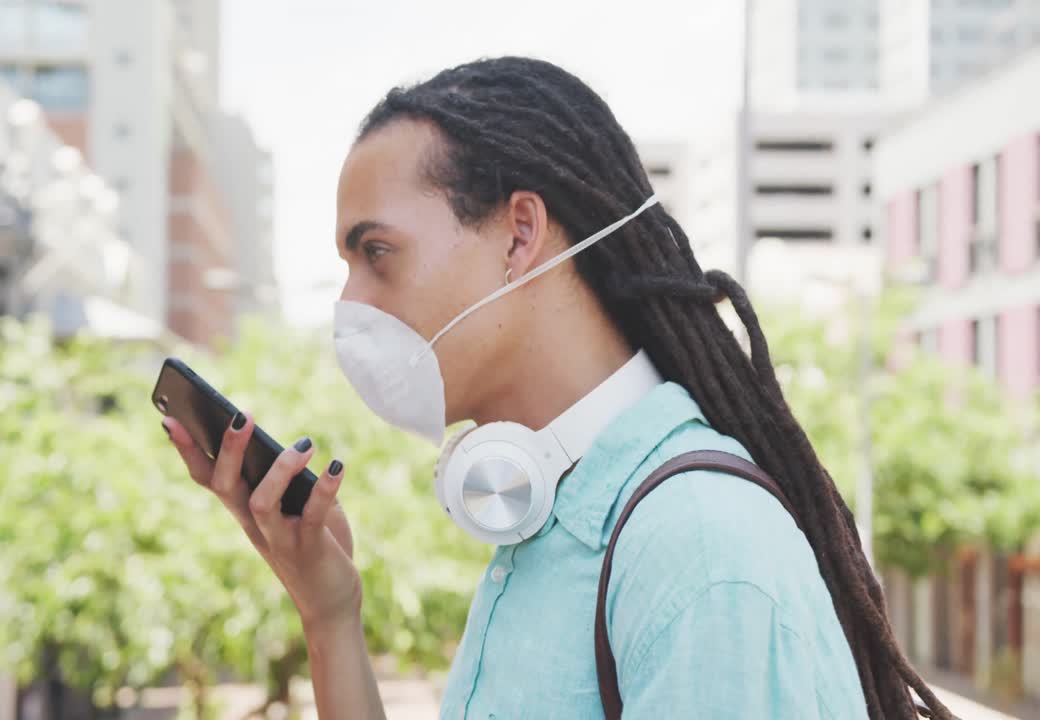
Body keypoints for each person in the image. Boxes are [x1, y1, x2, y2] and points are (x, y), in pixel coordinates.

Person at [162, 56, 949, 719]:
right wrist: (330, 616)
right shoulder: (550, 523)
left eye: (377, 253)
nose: (349, 306)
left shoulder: (700, 548)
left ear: (520, 234)